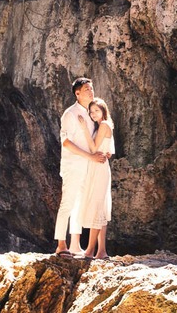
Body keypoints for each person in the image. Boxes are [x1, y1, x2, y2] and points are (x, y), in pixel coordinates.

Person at [54, 77, 107, 257]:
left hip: (88, 166)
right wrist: (89, 156)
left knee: (81, 205)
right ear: (77, 93)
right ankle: (61, 245)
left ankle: (75, 245)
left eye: (92, 88)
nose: (91, 92)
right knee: (67, 203)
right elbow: (66, 143)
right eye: (87, 89)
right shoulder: (69, 114)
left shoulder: (91, 114)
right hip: (73, 164)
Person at [77, 97, 114, 259]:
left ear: (103, 111)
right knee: (100, 208)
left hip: (99, 168)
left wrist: (84, 128)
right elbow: (109, 152)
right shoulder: (103, 126)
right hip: (98, 166)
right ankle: (102, 251)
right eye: (91, 112)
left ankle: (90, 251)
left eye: (96, 111)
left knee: (96, 207)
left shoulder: (104, 125)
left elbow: (93, 148)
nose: (93, 114)